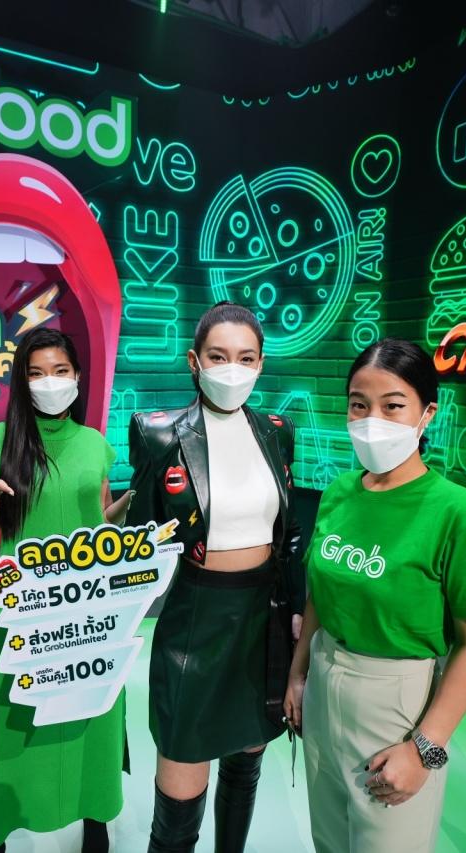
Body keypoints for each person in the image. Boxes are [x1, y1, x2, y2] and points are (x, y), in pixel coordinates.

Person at [284, 337, 466, 853]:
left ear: (427, 413)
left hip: (395, 701)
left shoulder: (456, 512)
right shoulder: (339, 493)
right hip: (323, 680)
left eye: (393, 406)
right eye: (359, 405)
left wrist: (426, 749)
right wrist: (299, 674)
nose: (373, 420)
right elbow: (320, 596)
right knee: (329, 840)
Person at [127, 301, 303, 853]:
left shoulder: (278, 432)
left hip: (262, 622)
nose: (233, 369)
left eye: (246, 358)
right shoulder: (158, 434)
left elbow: (289, 532)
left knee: (245, 771)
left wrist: (297, 611)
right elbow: (138, 537)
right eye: (219, 356)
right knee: (178, 807)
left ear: (261, 363)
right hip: (194, 625)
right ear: (194, 361)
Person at [0, 327, 127, 853]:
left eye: (59, 371)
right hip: (24, 611)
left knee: (91, 716)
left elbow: (96, 521)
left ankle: (95, 820)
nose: (49, 382)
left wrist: (130, 513)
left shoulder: (95, 444)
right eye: (36, 373)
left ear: (77, 376)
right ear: (21, 381)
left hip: (89, 610)